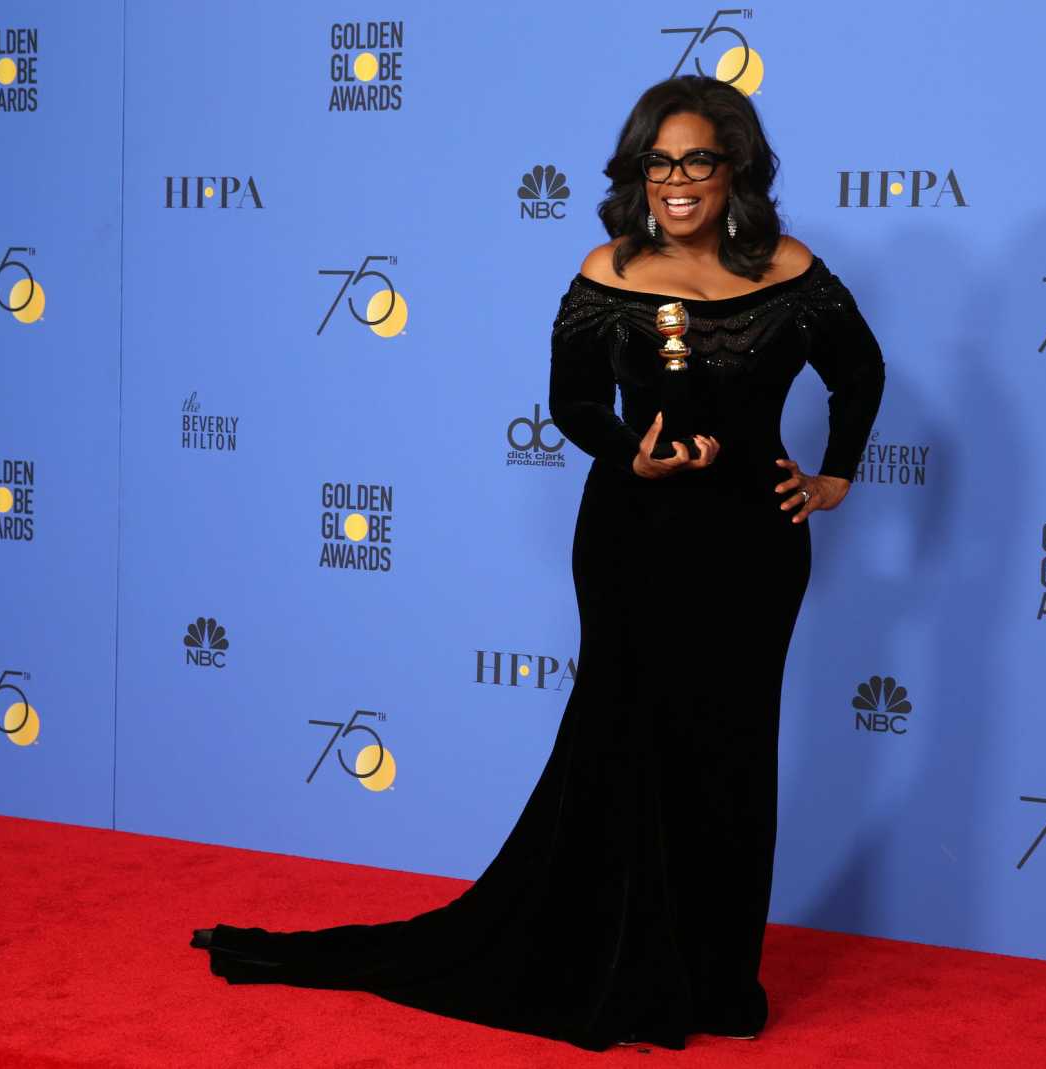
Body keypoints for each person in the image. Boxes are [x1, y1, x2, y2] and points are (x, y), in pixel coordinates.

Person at [191, 73, 886, 1053]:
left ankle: (716, 977)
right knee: (626, 738)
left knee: (731, 753)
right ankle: (616, 963)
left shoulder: (791, 269)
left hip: (750, 550)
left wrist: (834, 478)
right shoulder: (607, 270)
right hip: (632, 539)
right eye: (659, 161)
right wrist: (627, 455)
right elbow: (570, 403)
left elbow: (860, 370)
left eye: (698, 160)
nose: (678, 181)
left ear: (737, 170)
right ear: (637, 171)